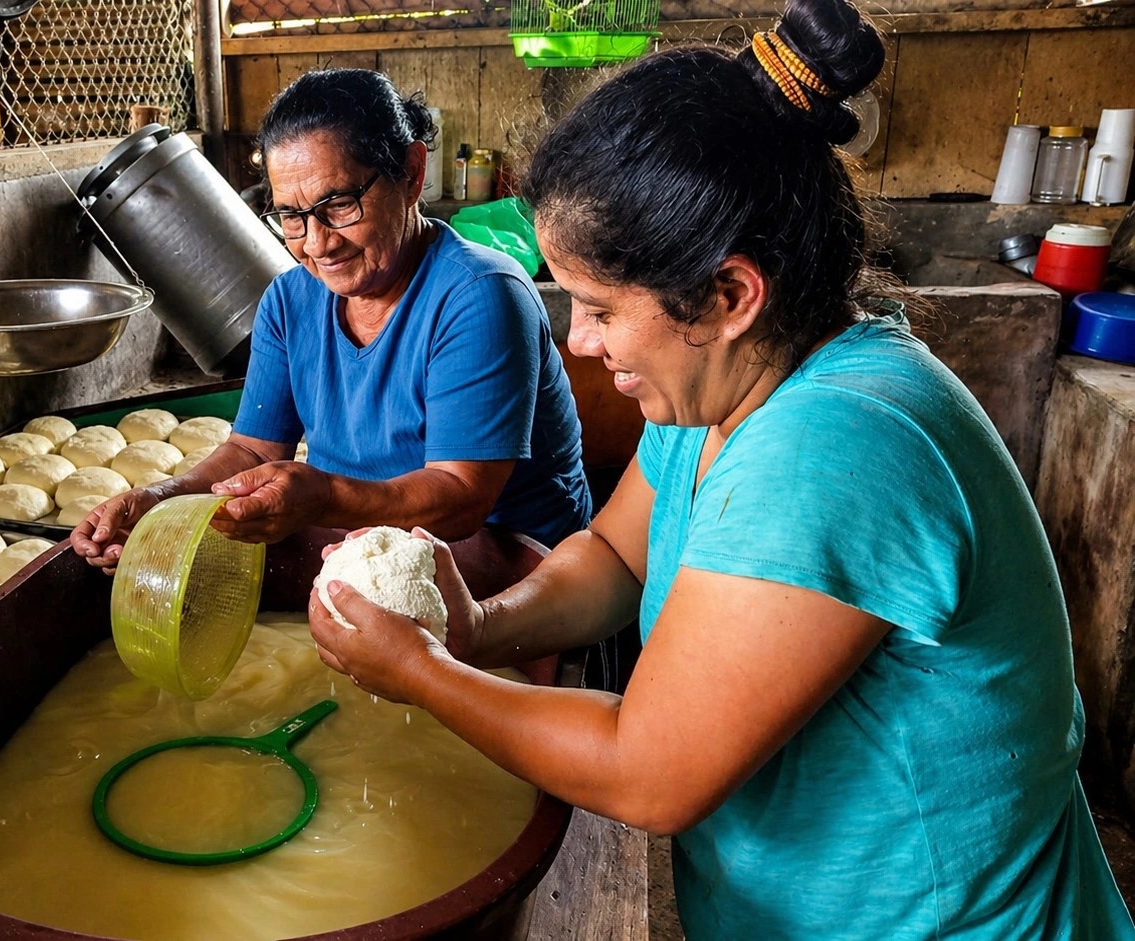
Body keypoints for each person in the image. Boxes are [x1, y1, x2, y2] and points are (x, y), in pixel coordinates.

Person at [304, 1, 1135, 936]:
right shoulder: (724, 385)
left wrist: (422, 671)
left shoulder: (833, 445)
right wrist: (478, 625)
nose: (580, 343)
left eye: (599, 309)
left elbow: (648, 773)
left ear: (731, 294)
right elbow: (615, 560)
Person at [70, 69, 592, 567]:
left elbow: (460, 499)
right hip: (361, 555)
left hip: (512, 573)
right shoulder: (289, 300)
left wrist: (321, 497)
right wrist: (161, 500)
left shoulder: (479, 295)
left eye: (339, 204)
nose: (318, 244)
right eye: (291, 216)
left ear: (411, 174)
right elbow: (252, 450)